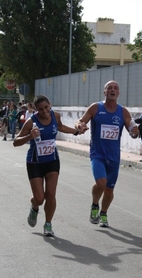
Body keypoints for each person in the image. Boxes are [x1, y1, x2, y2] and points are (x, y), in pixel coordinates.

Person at [13, 95, 87, 236]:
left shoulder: (56, 116)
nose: (44, 111)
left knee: (51, 194)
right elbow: (16, 142)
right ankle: (34, 206)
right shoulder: (31, 122)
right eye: (40, 109)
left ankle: (48, 224)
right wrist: (30, 137)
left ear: (50, 105)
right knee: (40, 198)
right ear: (35, 110)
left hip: (52, 160)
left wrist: (76, 131)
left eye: (46, 107)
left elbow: (60, 127)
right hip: (35, 162)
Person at [74, 80, 139, 228]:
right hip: (97, 154)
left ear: (118, 93)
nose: (112, 90)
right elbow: (80, 121)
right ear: (104, 92)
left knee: (109, 189)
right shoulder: (96, 107)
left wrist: (135, 132)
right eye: (109, 88)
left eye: (115, 88)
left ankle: (103, 213)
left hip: (114, 157)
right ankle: (95, 204)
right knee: (101, 182)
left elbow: (132, 130)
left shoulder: (123, 112)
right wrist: (79, 125)